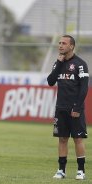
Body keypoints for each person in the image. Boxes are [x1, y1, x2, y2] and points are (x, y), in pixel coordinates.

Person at [47, 35, 89, 180]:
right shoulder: (57, 63)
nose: (60, 45)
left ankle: (81, 170)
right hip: (61, 108)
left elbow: (84, 88)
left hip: (75, 109)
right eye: (59, 43)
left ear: (71, 46)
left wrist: (77, 108)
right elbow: (50, 82)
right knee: (62, 139)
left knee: (78, 139)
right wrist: (58, 64)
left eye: (64, 43)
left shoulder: (80, 64)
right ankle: (61, 170)